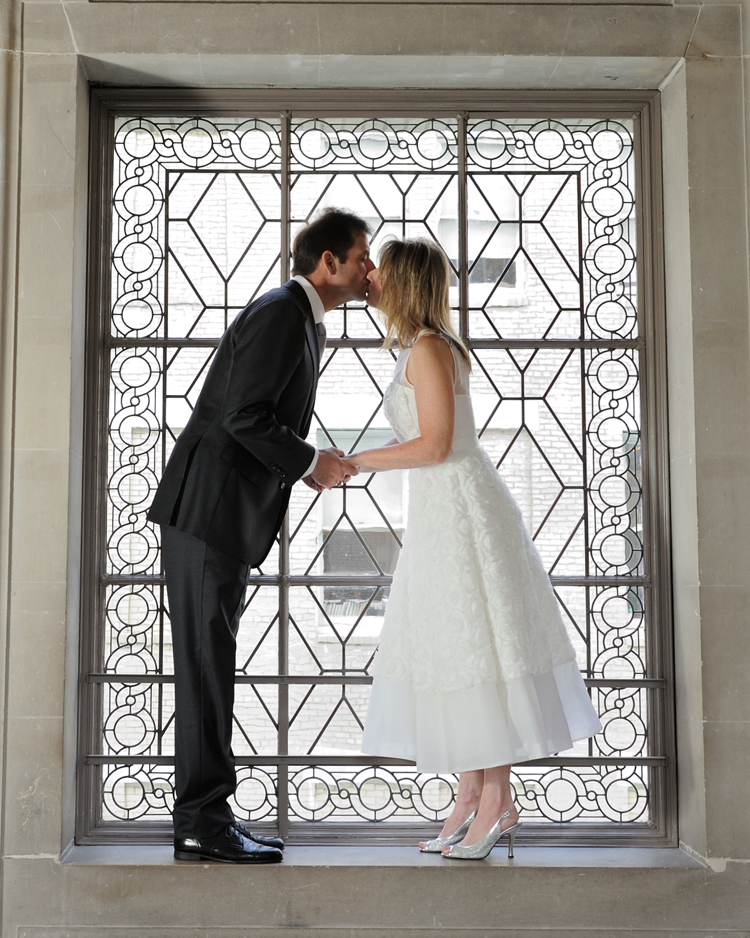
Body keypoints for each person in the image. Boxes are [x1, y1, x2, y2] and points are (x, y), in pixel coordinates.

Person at [350, 238, 602, 860]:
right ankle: (471, 795)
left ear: (403, 281)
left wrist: (354, 462)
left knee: (476, 650)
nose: (371, 276)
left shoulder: (432, 347)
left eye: (379, 267)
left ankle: (496, 801)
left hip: (459, 505)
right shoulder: (423, 345)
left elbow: (435, 445)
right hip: (444, 508)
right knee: (458, 649)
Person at [147, 208, 373, 863]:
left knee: (209, 669)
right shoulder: (282, 312)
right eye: (361, 257)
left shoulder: (300, 319)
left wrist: (299, 460)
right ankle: (201, 823)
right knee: (204, 671)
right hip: (207, 514)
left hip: (217, 518)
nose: (369, 271)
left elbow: (252, 415)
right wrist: (310, 462)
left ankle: (208, 818)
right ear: (326, 262)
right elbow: (244, 416)